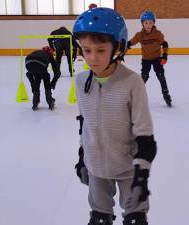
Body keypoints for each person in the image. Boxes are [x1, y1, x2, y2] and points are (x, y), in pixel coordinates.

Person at [73, 8, 157, 225]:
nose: (92, 58)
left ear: (118, 48)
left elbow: (144, 131)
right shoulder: (81, 81)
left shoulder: (132, 82)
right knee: (99, 219)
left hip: (129, 169)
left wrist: (142, 172)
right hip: (96, 169)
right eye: (86, 50)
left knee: (135, 220)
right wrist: (83, 157)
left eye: (100, 50)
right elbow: (85, 124)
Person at [127, 11, 172, 107]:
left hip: (157, 59)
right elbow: (130, 43)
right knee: (144, 77)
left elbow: (164, 44)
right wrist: (124, 46)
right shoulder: (139, 35)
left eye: (151, 23)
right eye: (146, 23)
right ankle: (136, 96)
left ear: (154, 23)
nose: (148, 25)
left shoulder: (157, 34)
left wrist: (164, 56)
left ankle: (166, 93)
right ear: (142, 23)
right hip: (146, 60)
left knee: (161, 76)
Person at [25, 46, 61, 110]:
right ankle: (49, 100)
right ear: (50, 52)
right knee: (46, 76)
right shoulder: (50, 55)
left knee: (37, 76)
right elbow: (57, 72)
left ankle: (35, 101)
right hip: (41, 63)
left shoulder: (36, 51)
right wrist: (53, 82)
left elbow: (33, 60)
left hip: (28, 62)